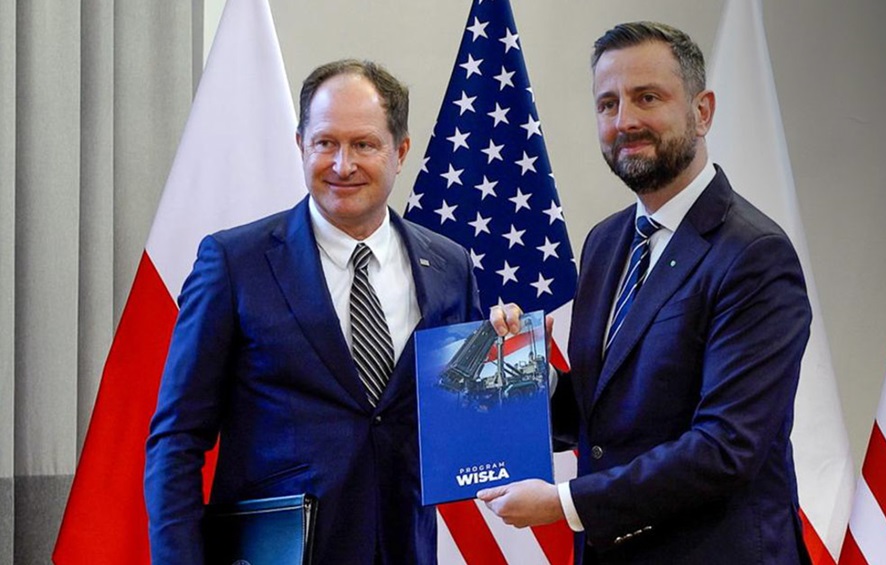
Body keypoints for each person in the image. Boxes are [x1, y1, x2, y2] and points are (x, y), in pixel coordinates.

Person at [479, 22, 813, 564]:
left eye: (647, 98)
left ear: (702, 111)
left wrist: (565, 503)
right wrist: (531, 376)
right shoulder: (606, 242)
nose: (624, 121)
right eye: (607, 104)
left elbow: (725, 449)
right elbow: (603, 417)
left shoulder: (754, 256)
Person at [144, 59, 482, 564]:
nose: (342, 165)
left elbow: (468, 418)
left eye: (364, 144)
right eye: (325, 143)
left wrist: (514, 362)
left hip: (403, 549)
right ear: (300, 144)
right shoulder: (235, 263)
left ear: (400, 151)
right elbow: (177, 437)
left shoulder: (449, 266)